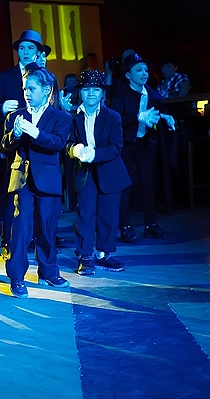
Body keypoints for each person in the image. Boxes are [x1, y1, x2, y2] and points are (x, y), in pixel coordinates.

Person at [0, 64, 72, 298]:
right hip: (21, 179)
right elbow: (4, 146)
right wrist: (15, 135)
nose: (27, 93)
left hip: (48, 180)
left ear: (47, 90)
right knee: (20, 229)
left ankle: (48, 271)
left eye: (31, 89)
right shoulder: (15, 116)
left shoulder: (61, 117)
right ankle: (17, 277)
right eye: (25, 89)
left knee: (48, 228)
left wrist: (35, 132)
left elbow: (57, 143)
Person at [0, 30, 49, 261]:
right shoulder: (8, 76)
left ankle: (37, 238)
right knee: (13, 193)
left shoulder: (45, 76)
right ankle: (8, 240)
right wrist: (1, 108)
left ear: (38, 52)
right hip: (15, 143)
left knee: (41, 192)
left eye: (31, 48)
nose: (26, 52)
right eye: (22, 48)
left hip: (41, 143)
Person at [66, 70, 131, 275]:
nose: (91, 93)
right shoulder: (73, 117)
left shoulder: (113, 117)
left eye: (96, 89)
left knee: (109, 215)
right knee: (85, 214)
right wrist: (75, 150)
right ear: (80, 92)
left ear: (102, 92)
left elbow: (116, 147)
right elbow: (66, 143)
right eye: (87, 89)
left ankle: (104, 254)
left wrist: (95, 154)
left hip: (110, 171)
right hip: (84, 172)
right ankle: (85, 256)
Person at [108, 53, 175, 242]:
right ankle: (125, 226)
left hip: (144, 142)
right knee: (125, 184)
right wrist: (137, 117)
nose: (144, 73)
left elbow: (159, 110)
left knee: (148, 182)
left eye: (145, 70)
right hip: (126, 143)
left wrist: (164, 117)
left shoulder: (151, 93)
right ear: (128, 75)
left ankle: (150, 224)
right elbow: (115, 119)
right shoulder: (121, 95)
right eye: (139, 70)